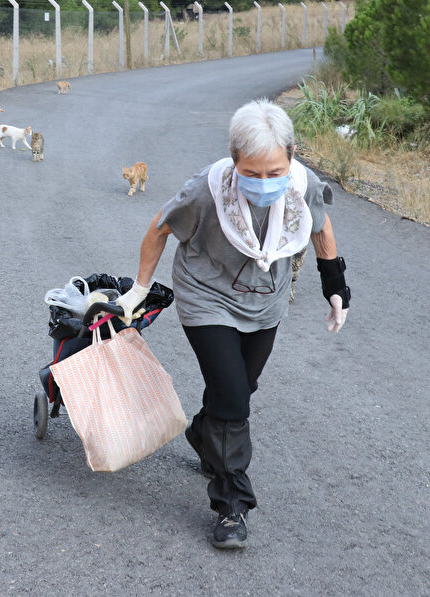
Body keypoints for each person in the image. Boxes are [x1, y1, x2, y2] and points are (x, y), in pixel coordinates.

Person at [116, 99, 351, 549]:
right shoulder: (206, 190)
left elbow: (320, 226)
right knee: (231, 395)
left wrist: (335, 286)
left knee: (243, 385)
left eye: (274, 172)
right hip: (206, 295)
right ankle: (231, 505)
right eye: (252, 173)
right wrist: (139, 289)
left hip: (266, 301)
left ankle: (204, 432)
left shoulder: (301, 184)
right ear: (233, 158)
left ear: (293, 155)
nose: (264, 183)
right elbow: (161, 227)